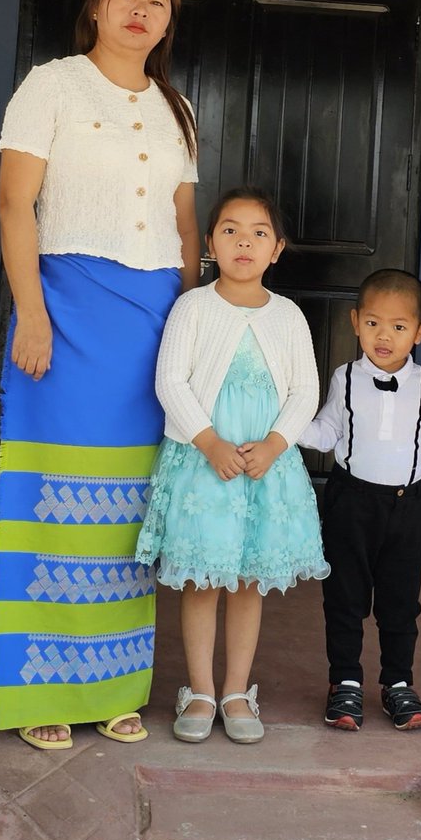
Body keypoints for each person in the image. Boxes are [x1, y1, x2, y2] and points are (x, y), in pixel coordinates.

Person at [0, 0, 201, 751]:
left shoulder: (179, 109)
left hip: (151, 323)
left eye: (158, 1)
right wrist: (31, 313)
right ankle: (38, 688)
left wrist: (188, 324)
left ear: (169, 20)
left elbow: (185, 227)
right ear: (99, 6)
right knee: (52, 503)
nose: (141, 10)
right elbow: (15, 203)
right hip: (67, 313)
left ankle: (113, 686)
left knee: (129, 515)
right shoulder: (51, 85)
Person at [135, 187, 328, 744]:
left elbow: (304, 389)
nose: (244, 240)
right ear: (210, 245)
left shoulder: (288, 316)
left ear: (277, 249)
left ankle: (238, 690)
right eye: (230, 229)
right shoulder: (193, 306)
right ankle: (198, 690)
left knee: (247, 581)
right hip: (206, 466)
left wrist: (274, 444)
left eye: (259, 232)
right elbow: (170, 380)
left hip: (264, 469)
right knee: (203, 580)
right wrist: (209, 442)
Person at [298, 268, 421, 734]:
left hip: (407, 509)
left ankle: (398, 682)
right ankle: (344, 680)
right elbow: (325, 433)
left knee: (400, 602)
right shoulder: (344, 378)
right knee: (344, 598)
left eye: (399, 327)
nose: (384, 336)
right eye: (373, 324)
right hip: (350, 503)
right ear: (355, 321)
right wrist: (283, 425)